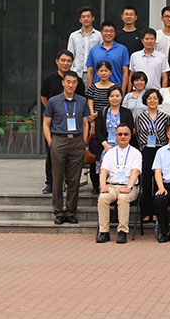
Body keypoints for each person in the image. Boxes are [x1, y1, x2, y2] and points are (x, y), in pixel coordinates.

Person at [43, 72, 91, 225]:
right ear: (63, 83)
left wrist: (84, 141)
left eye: (74, 82)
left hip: (76, 141)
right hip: (59, 140)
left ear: (77, 84)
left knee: (74, 179)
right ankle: (58, 211)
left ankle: (71, 211)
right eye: (68, 82)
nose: (71, 85)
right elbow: (46, 124)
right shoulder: (53, 101)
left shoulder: (82, 101)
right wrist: (51, 142)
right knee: (58, 178)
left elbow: (85, 123)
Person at [40, 50, 85, 194]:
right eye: (63, 60)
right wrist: (54, 111)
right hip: (56, 122)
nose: (66, 63)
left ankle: (69, 182)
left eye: (69, 61)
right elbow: (43, 97)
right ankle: (51, 182)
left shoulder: (77, 81)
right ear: (57, 61)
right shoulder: (49, 79)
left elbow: (82, 101)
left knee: (71, 157)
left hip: (73, 124)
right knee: (51, 153)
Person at [95, 124, 142, 243]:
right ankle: (104, 232)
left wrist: (129, 187)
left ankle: (122, 232)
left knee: (123, 198)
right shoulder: (109, 153)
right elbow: (103, 171)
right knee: (103, 198)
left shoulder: (136, 153)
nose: (123, 136)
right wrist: (103, 186)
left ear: (130, 136)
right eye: (120, 134)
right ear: (115, 136)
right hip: (111, 186)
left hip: (129, 186)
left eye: (126, 134)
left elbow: (136, 172)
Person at [91, 85, 135, 194]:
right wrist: (105, 145)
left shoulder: (127, 112)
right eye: (112, 96)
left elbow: (129, 129)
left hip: (122, 145)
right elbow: (98, 131)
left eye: (117, 96)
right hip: (106, 145)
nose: (114, 98)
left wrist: (122, 144)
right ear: (108, 98)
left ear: (121, 97)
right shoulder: (102, 112)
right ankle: (102, 188)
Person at [135, 89, 170, 222]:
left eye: (155, 98)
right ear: (145, 100)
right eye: (149, 98)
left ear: (159, 100)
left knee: (158, 181)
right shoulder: (140, 117)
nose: (152, 100)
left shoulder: (165, 117)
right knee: (146, 182)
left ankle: (156, 212)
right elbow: (138, 135)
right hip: (146, 151)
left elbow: (167, 135)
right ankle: (146, 212)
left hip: (160, 150)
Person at [85, 21, 130, 91]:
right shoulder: (94, 50)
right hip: (97, 90)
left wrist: (122, 91)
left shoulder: (122, 49)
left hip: (116, 90)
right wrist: (90, 91)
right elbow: (90, 72)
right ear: (101, 33)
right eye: (106, 31)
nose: (108, 33)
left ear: (115, 33)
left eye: (111, 31)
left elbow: (125, 71)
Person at [68, 6, 102, 79]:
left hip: (94, 73)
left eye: (88, 16)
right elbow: (70, 54)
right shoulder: (73, 36)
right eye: (83, 17)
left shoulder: (99, 35)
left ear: (93, 18)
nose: (86, 19)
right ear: (80, 20)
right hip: (77, 73)